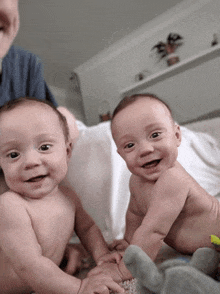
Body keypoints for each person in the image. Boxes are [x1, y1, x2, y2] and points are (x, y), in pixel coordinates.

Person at [90, 93, 220, 282]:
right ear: (120, 154)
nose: (145, 149)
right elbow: (134, 215)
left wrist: (124, 270)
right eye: (130, 145)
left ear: (176, 136)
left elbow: (153, 232)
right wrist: (128, 243)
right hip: (205, 249)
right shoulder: (136, 181)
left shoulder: (172, 179)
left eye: (155, 135)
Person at [0, 97, 124, 294]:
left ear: (67, 151)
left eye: (44, 147)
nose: (31, 161)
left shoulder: (68, 196)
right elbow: (29, 264)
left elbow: (88, 228)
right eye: (13, 155)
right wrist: (79, 287)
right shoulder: (10, 205)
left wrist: (102, 255)